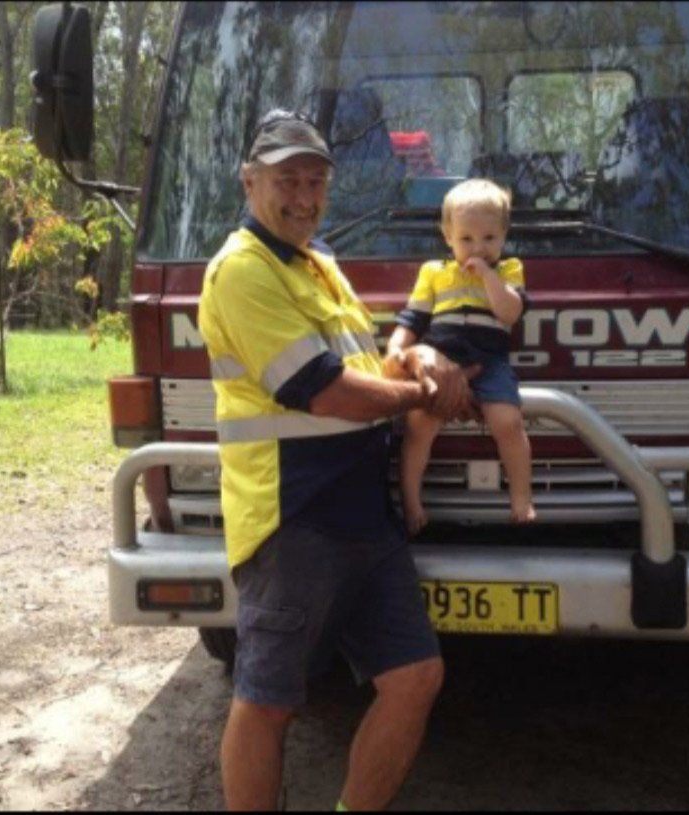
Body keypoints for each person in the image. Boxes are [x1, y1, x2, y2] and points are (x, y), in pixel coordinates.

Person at [197, 109, 478, 811]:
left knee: (415, 676)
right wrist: (425, 391)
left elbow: (374, 356)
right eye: (286, 179)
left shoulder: (317, 262)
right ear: (249, 182)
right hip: (294, 519)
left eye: (315, 180)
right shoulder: (241, 271)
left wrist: (422, 353)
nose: (303, 195)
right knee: (268, 702)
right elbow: (326, 391)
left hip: (361, 516)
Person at [386, 178, 535, 534]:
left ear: (503, 235)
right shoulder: (433, 273)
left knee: (508, 423)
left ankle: (522, 497)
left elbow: (510, 313)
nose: (477, 248)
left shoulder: (509, 270)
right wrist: (396, 347)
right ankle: (410, 500)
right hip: (442, 362)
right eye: (466, 239)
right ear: (447, 236)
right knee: (419, 427)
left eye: (489, 239)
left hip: (490, 362)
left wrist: (487, 276)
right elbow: (414, 317)